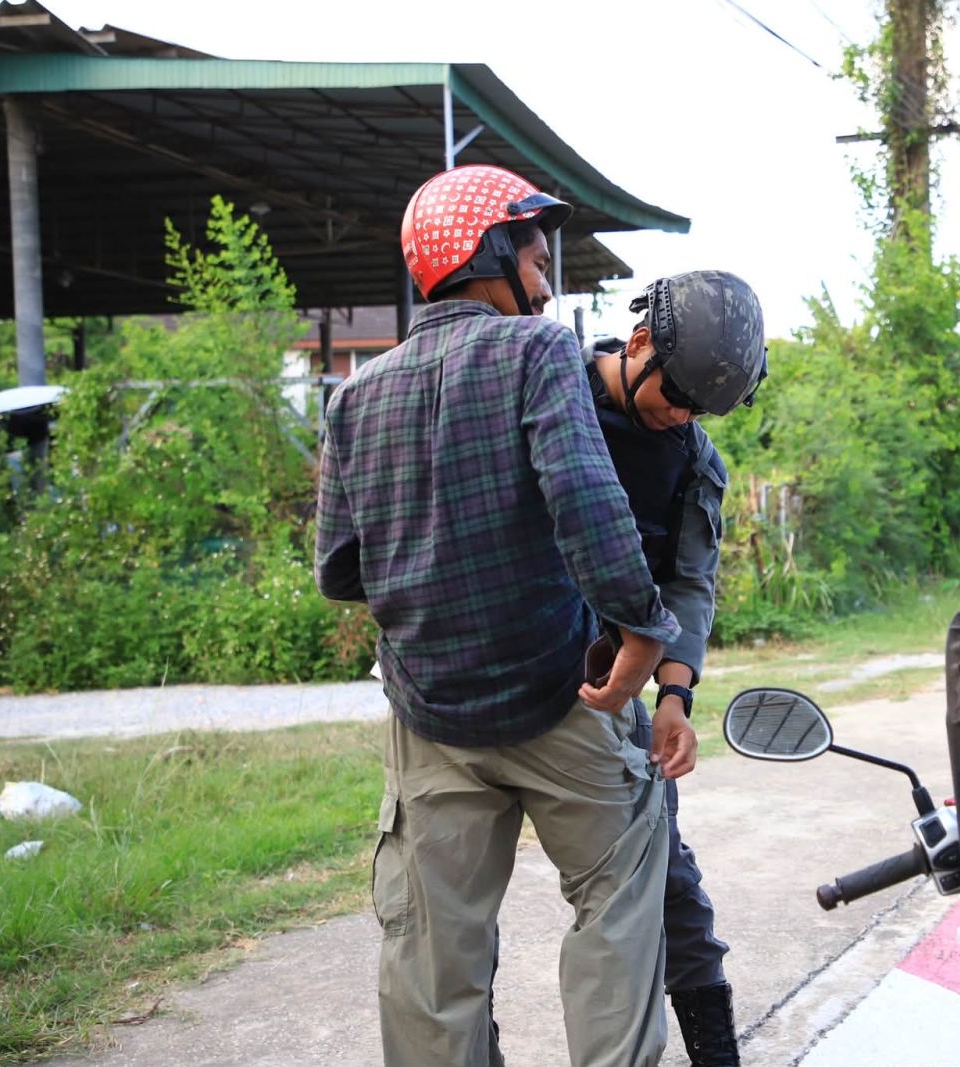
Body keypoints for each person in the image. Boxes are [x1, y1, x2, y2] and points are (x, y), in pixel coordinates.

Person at [315, 163, 692, 1067]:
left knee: (430, 957)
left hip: (429, 716)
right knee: (618, 897)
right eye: (535, 256)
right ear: (488, 253)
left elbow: (339, 571)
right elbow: (586, 501)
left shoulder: (353, 397)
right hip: (562, 695)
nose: (546, 283)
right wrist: (643, 627)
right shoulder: (538, 351)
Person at [585, 271, 765, 1066]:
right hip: (518, 671)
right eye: (678, 395)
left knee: (670, 883)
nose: (683, 415)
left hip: (620, 689)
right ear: (639, 343)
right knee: (462, 911)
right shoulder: (550, 399)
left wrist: (675, 697)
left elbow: (689, 582)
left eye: (702, 408)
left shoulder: (692, 457)